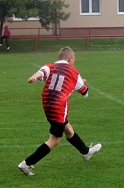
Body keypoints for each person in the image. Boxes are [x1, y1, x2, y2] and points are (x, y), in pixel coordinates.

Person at [17, 47, 101, 176]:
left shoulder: (51, 66)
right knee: (55, 140)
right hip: (59, 106)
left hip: (47, 103)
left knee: (68, 129)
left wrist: (34, 77)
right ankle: (26, 164)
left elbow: (42, 72)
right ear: (70, 59)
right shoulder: (73, 72)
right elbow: (84, 93)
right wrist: (82, 83)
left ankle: (85, 152)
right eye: (74, 59)